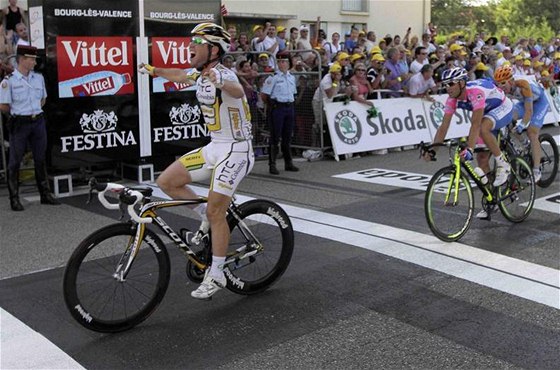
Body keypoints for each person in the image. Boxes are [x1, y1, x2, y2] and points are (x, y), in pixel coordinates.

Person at [138, 23, 254, 300]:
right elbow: (179, 74)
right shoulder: (199, 74)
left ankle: (217, 273)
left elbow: (238, 91)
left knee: (217, 212)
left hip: (237, 151)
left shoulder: (222, 74)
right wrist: (154, 70)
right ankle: (208, 220)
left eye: (197, 42)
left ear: (213, 49)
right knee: (166, 182)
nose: (190, 46)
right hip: (215, 147)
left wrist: (220, 82)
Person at [426, 67, 513, 191]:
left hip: (502, 106)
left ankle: (502, 162)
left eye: (451, 84)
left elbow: (475, 124)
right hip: (486, 113)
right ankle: (492, 199)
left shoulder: (475, 92)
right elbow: (443, 126)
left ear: (461, 83)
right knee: (482, 159)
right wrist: (433, 150)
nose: (447, 88)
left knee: (483, 128)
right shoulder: (452, 99)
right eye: (445, 84)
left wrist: (470, 149)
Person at [0, 45, 59, 211]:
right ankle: (14, 198)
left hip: (37, 120)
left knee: (40, 158)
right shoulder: (9, 81)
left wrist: (33, 110)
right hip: (20, 122)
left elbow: (43, 100)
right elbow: (4, 105)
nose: (34, 62)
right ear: (22, 59)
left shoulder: (37, 78)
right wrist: (20, 112)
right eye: (31, 59)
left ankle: (45, 194)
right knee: (15, 160)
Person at [493, 64, 550, 183]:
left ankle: (536, 170)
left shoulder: (523, 85)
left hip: (539, 103)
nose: (501, 87)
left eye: (503, 83)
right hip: (524, 102)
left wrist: (522, 126)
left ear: (511, 81)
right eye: (498, 84)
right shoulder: (502, 89)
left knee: (532, 132)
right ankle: (525, 144)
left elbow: (529, 111)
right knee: (508, 119)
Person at [260, 54, 299, 175]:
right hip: (278, 108)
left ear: (288, 64)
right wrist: (272, 106)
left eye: (284, 61)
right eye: (280, 61)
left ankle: (288, 162)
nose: (282, 64)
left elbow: (293, 93)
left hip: (289, 107)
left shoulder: (291, 77)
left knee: (287, 136)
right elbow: (264, 95)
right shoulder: (273, 78)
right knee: (275, 136)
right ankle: (272, 164)